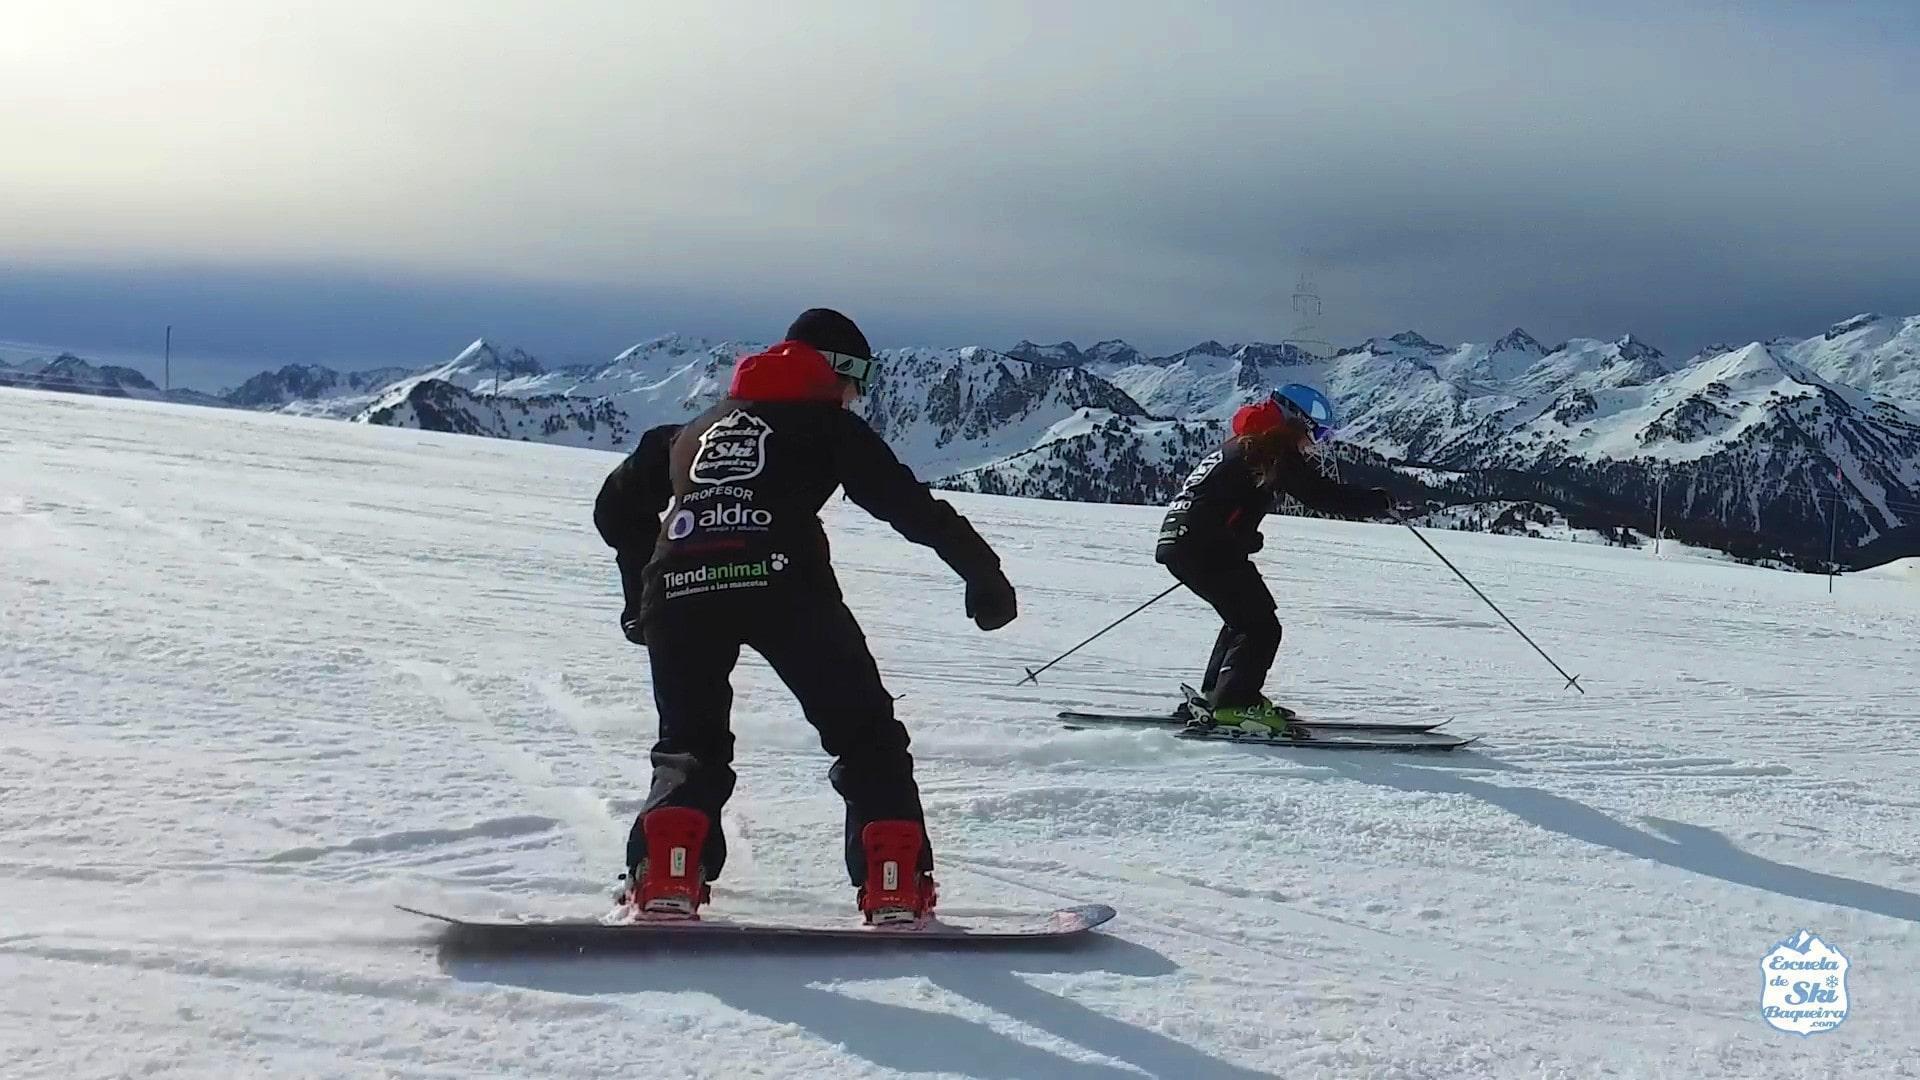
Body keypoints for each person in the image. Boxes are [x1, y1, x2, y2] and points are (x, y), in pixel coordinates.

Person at [592, 308, 1018, 925]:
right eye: (859, 380)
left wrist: (638, 591)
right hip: (784, 583)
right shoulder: (828, 425)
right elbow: (910, 507)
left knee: (689, 744)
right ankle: (893, 882)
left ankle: (668, 870)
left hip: (679, 586)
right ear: (836, 368)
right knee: (865, 737)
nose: (858, 396)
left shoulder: (688, 431)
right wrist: (984, 576)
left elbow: (615, 511)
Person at [1154, 384, 1392, 733]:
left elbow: (1224, 498)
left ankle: (1219, 697)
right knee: (1260, 627)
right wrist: (1376, 502)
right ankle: (1234, 704)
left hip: (1186, 541)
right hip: (1204, 545)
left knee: (1243, 619)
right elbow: (1319, 494)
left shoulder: (1245, 443)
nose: (1313, 444)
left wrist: (1240, 536)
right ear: (1296, 423)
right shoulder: (1273, 446)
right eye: (1316, 434)